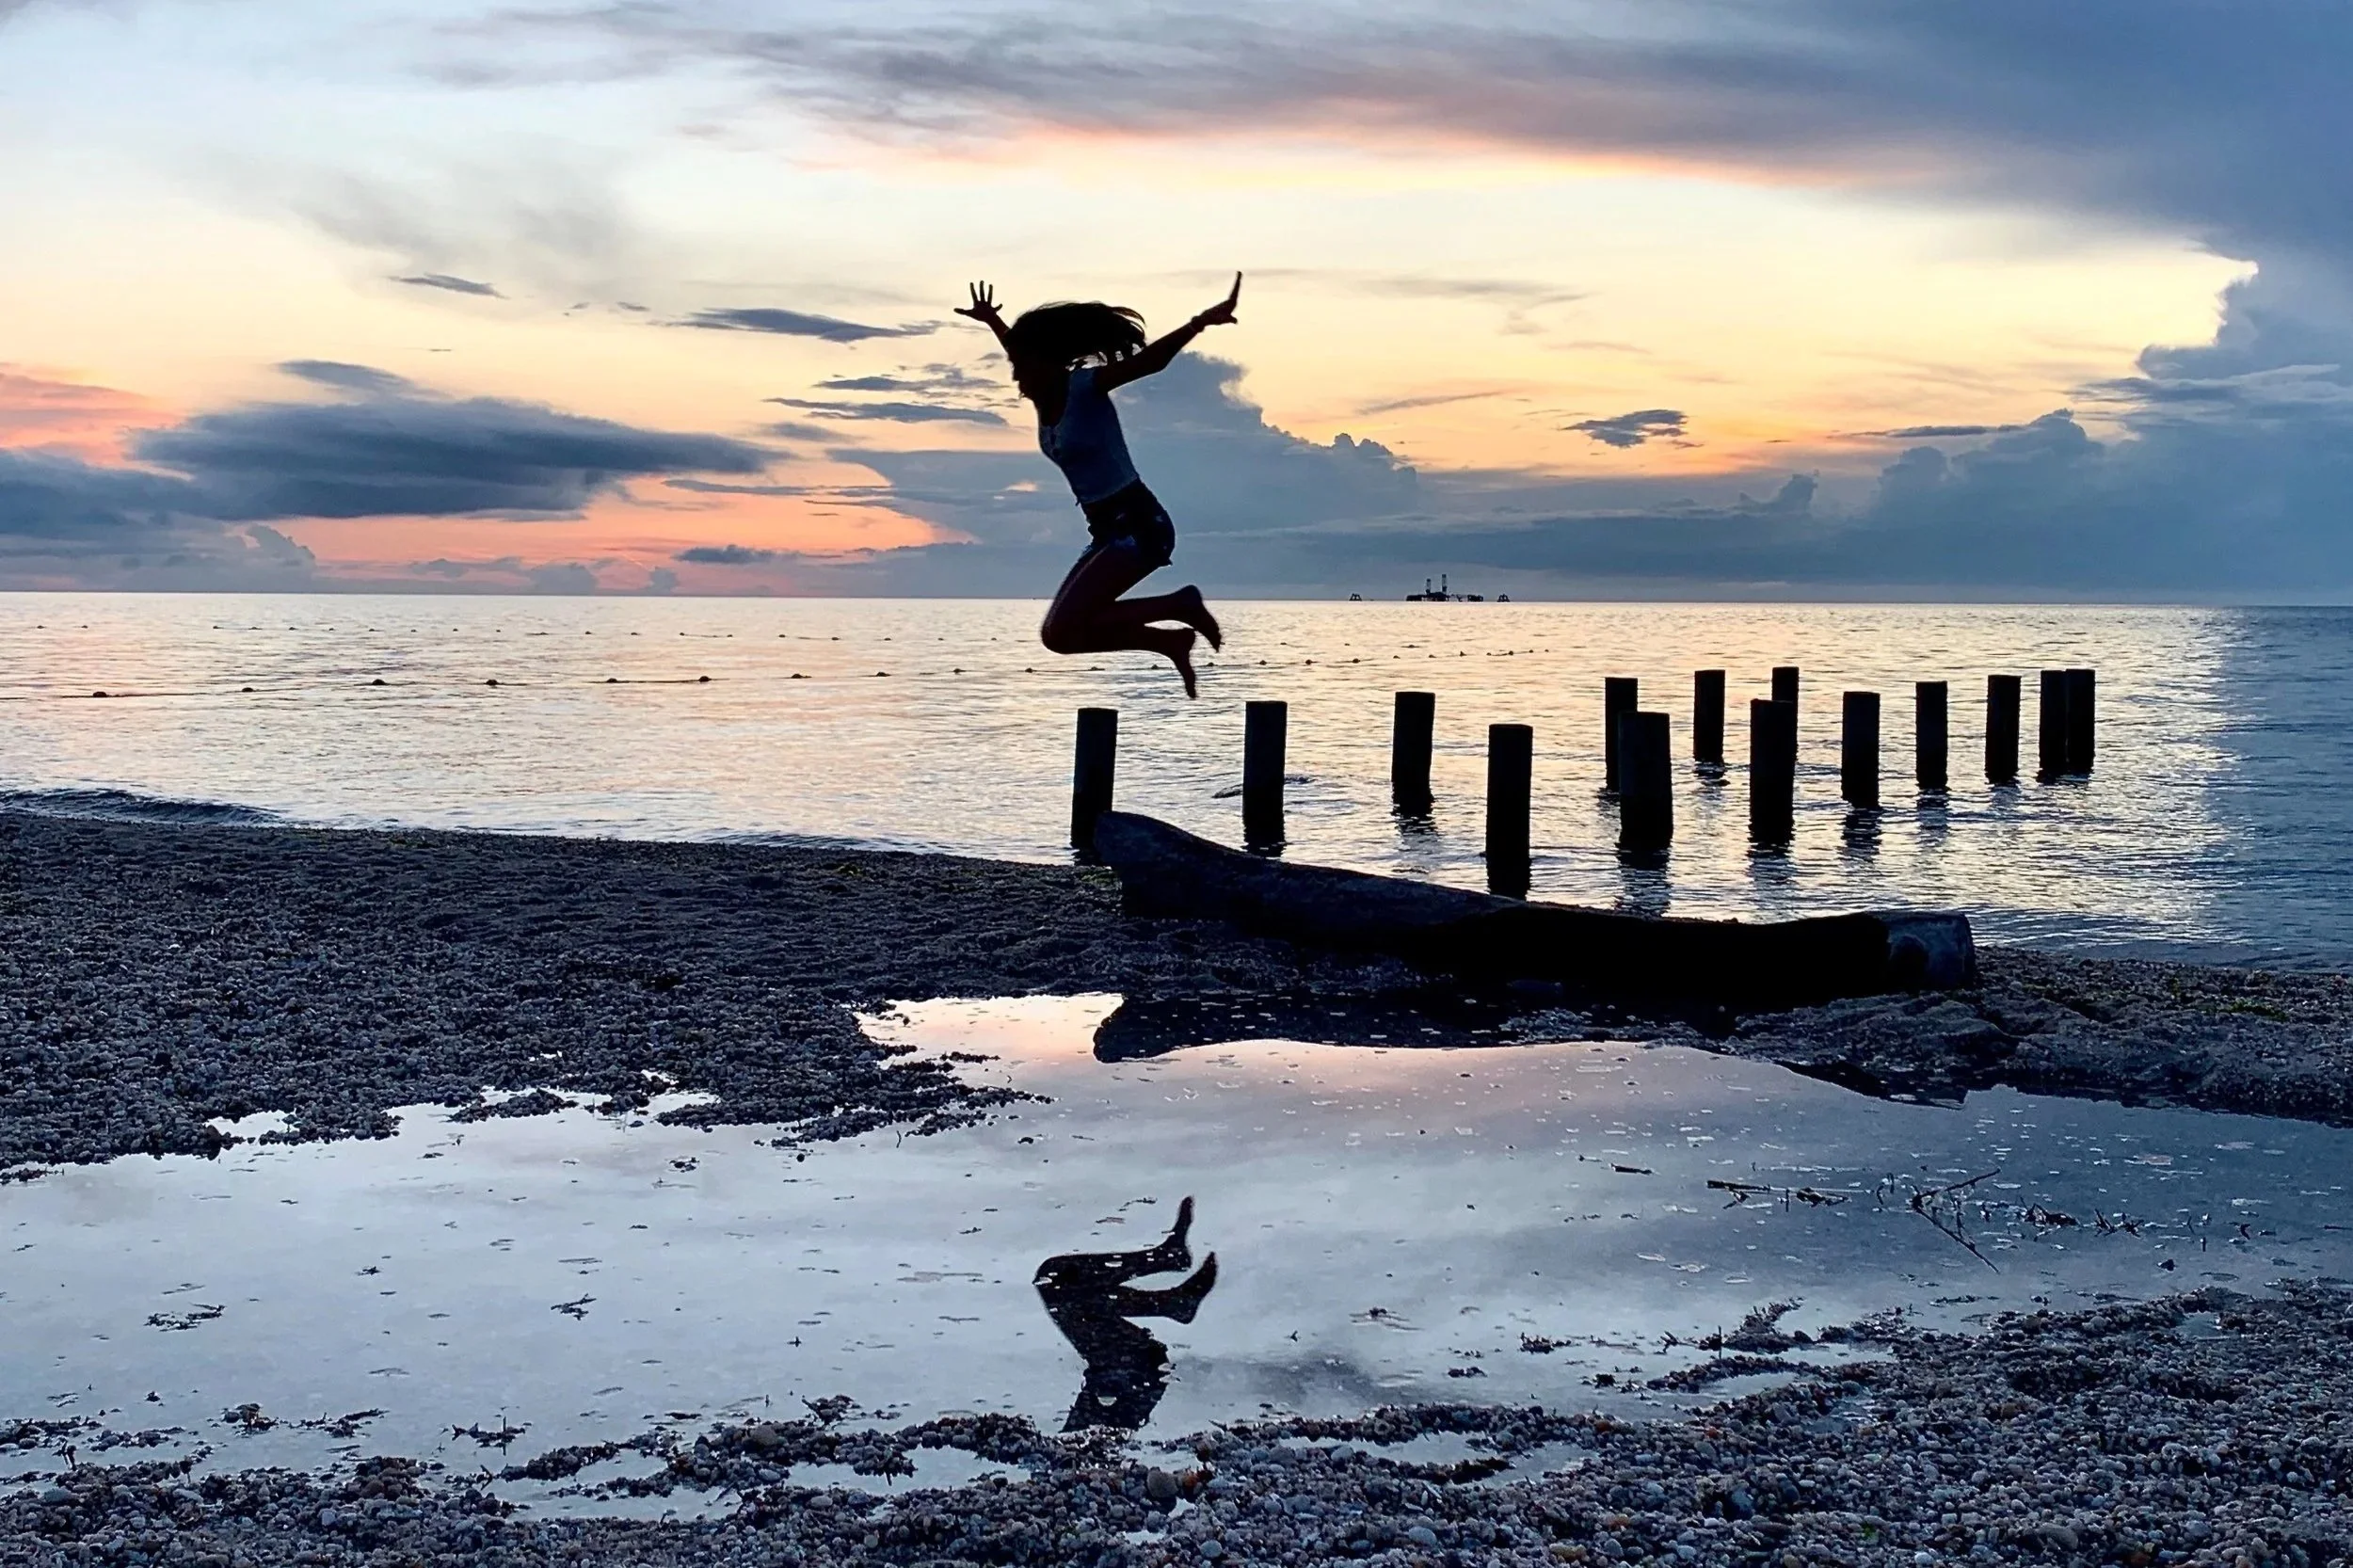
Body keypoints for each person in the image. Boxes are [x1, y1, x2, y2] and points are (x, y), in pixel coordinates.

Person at [956, 276, 1241, 696]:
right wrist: (993, 322)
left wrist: (1199, 322)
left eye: (1021, 367)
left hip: (1141, 526)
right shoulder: (1041, 393)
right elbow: (1022, 351)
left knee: (1068, 625)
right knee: (1059, 636)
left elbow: (1151, 363)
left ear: (1046, 364)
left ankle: (1180, 605)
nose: (1015, 377)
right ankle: (1167, 639)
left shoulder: (1085, 388)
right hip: (1108, 532)